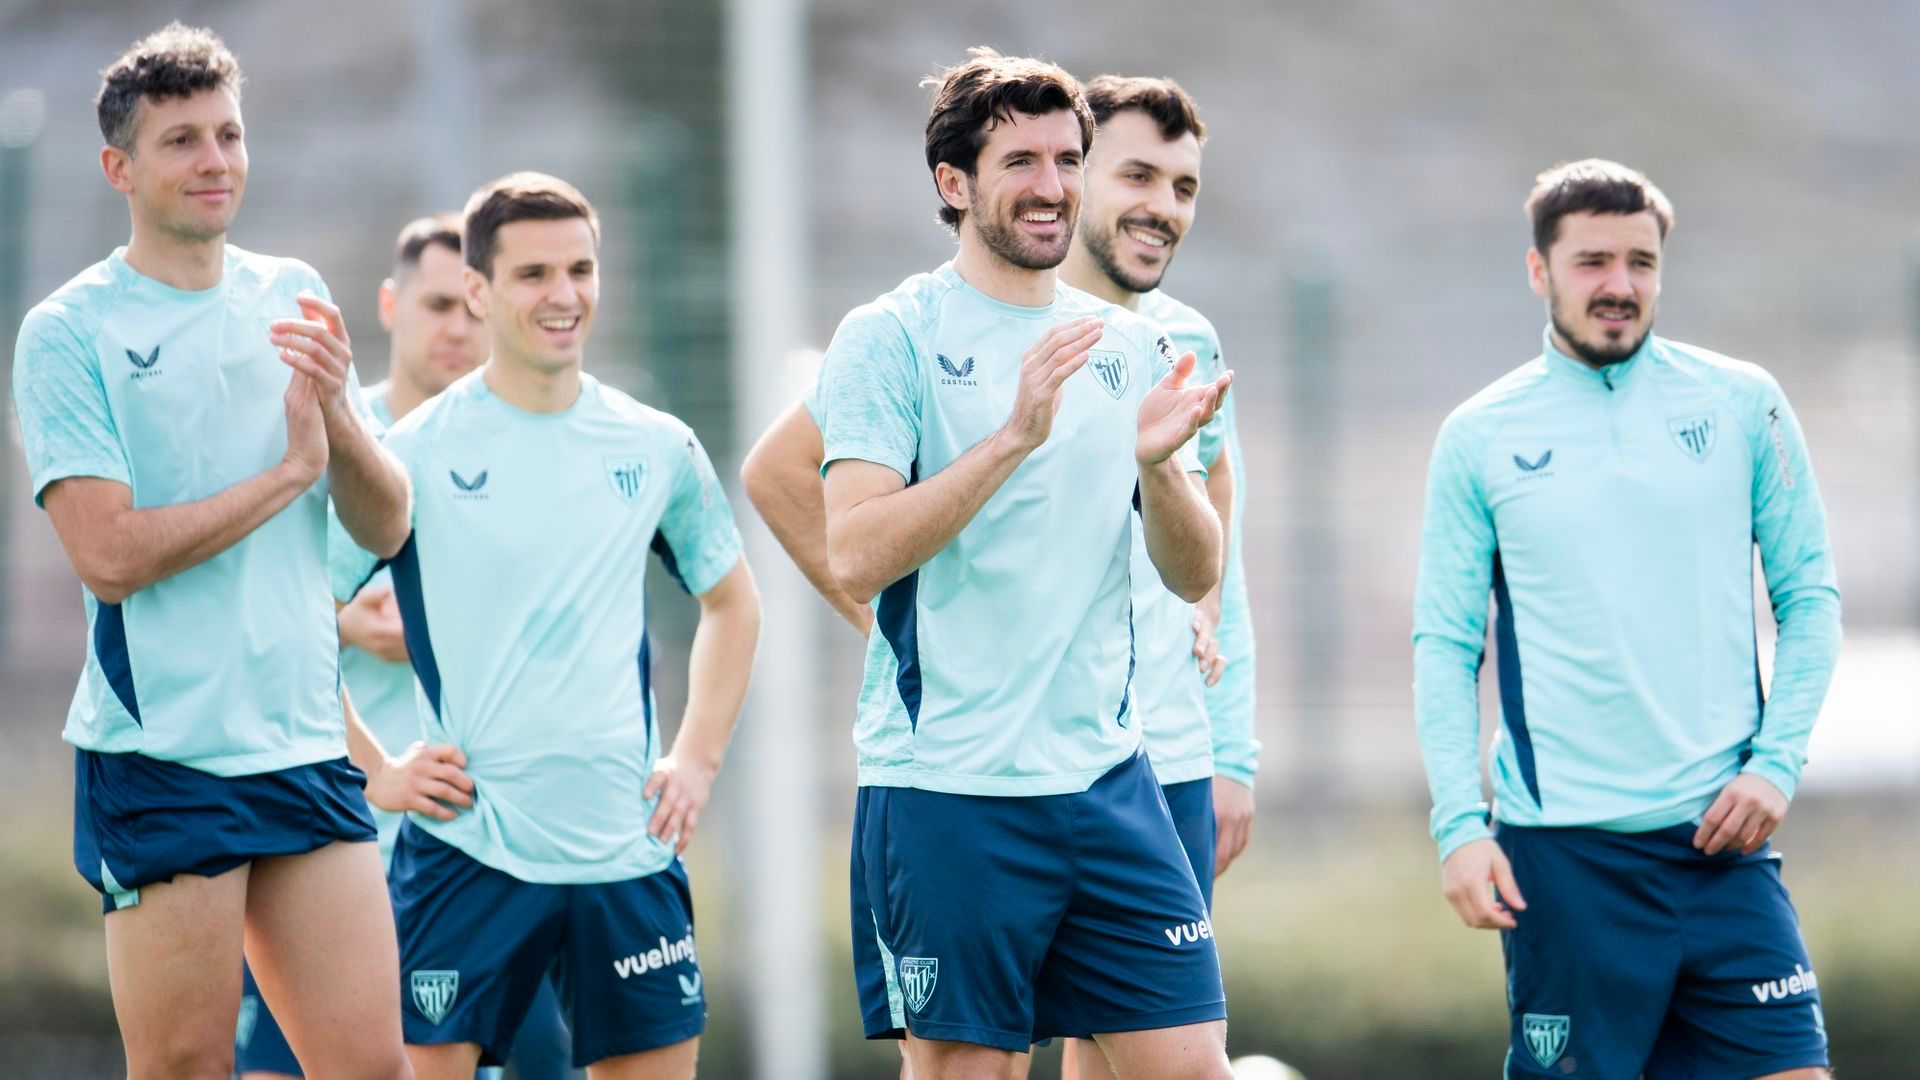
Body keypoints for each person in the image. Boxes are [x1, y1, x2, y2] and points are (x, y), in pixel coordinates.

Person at [816, 48, 1234, 1080]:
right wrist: (1011, 439)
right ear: (954, 184)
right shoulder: (890, 336)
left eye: (1068, 159)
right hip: (949, 793)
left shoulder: (1129, 346)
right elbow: (855, 553)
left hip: (1108, 783)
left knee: (1195, 1066)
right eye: (1020, 161)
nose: (1051, 185)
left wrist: (1162, 468)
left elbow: (1193, 575)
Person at [10, 23, 412, 1079]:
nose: (215, 160)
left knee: (374, 1069)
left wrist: (340, 414)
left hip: (304, 744)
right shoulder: (67, 332)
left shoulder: (294, 291)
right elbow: (109, 556)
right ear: (120, 170)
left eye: (229, 135)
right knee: (186, 1069)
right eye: (182, 140)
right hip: (167, 758)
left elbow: (385, 526)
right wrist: (285, 475)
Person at [1412, 158, 1841, 1079]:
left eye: (1641, 262)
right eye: (1593, 261)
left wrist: (1776, 765)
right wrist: (1459, 827)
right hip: (1564, 860)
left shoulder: (1743, 403)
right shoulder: (1479, 435)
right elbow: (1445, 647)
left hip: (1721, 845)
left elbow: (1810, 597)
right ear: (1540, 270)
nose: (1620, 285)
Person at [329, 172, 760, 1080]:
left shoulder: (655, 444)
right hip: (465, 850)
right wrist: (376, 769)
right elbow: (291, 617)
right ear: (479, 290)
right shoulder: (413, 453)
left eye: (580, 270)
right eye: (533, 274)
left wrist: (695, 760)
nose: (564, 295)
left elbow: (732, 601)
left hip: (626, 854)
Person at [237, 216, 575, 1080]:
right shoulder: (322, 434)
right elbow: (257, 614)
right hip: (324, 832)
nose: (457, 327)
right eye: (436, 305)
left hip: (481, 845)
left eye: (471, 307)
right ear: (390, 306)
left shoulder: (536, 444)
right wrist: (344, 617)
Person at [1052, 72, 1259, 1080]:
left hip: (1166, 760)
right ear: (1073, 175)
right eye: (1137, 175)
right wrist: (886, 625)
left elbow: (1220, 541)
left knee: (1125, 1055)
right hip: (1010, 768)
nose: (1162, 206)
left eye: (1183, 187)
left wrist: (1233, 752)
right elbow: (788, 476)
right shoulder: (977, 326)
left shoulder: (1193, 342)